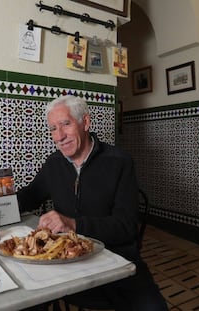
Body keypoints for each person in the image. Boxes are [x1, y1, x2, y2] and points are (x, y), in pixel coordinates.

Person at [17, 95, 168, 311]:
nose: (59, 136)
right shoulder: (54, 163)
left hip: (115, 255)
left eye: (65, 124)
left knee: (153, 308)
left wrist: (73, 224)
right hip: (64, 256)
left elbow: (125, 227)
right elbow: (29, 195)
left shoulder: (119, 162)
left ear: (85, 122)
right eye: (52, 128)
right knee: (24, 302)